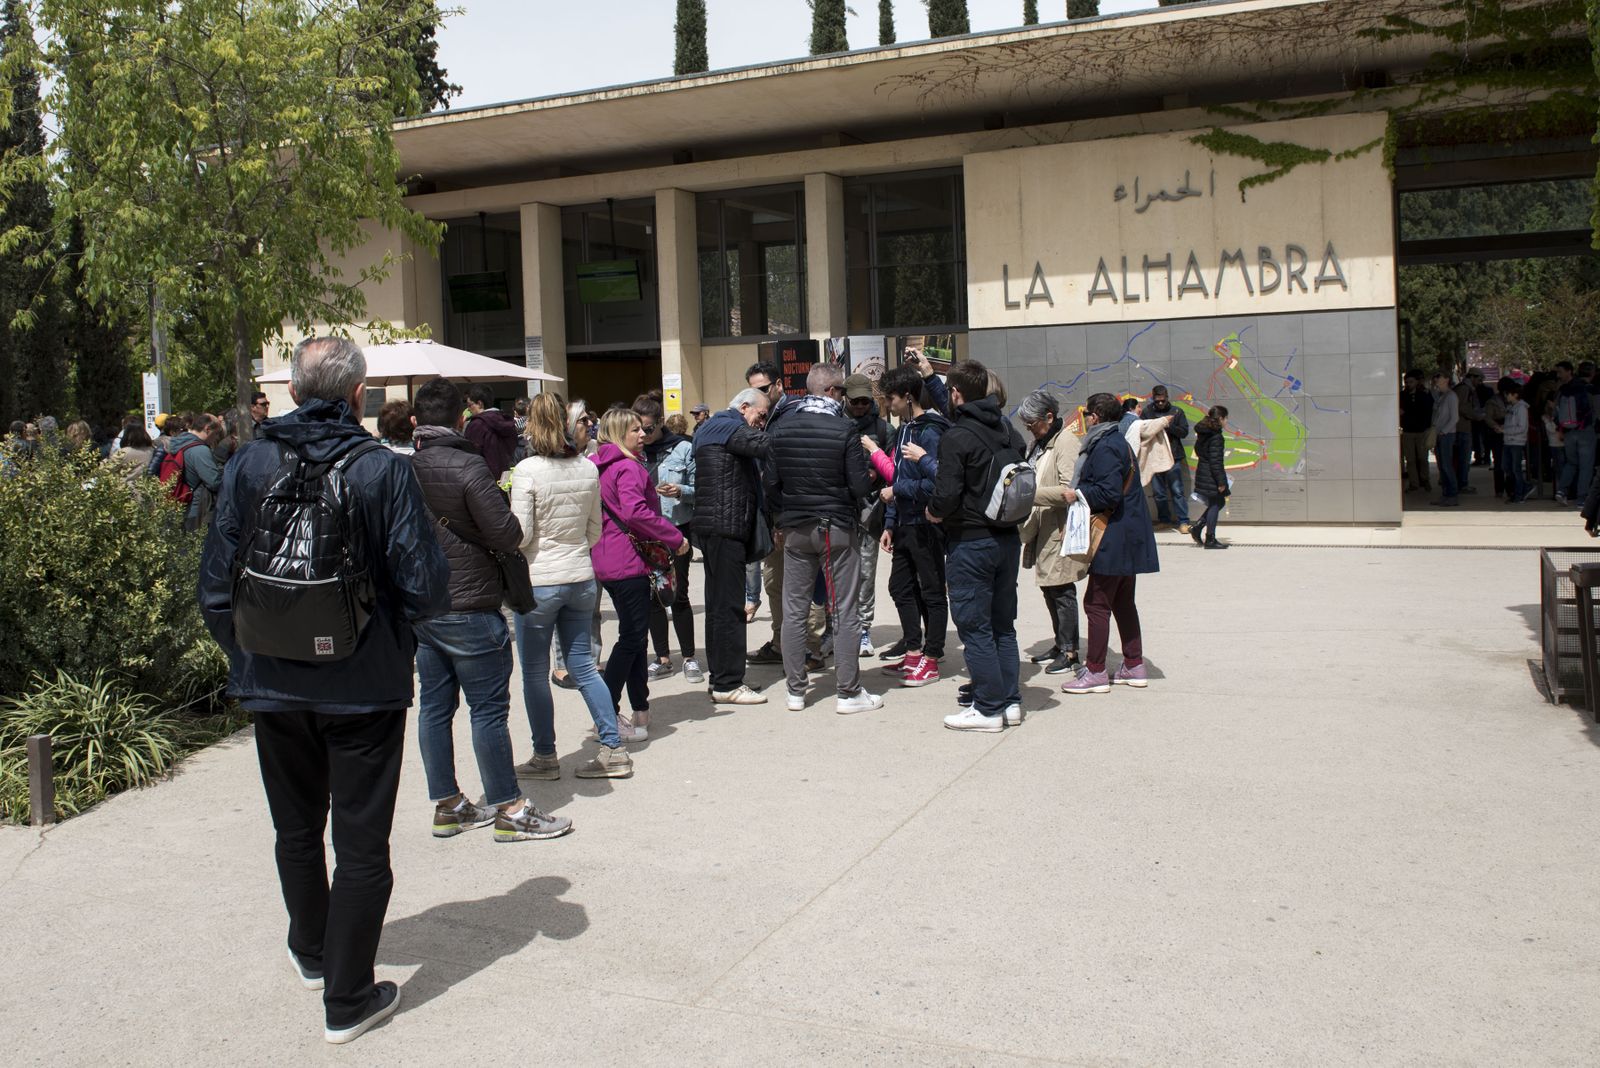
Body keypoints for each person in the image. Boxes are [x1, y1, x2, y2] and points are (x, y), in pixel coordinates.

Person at [198, 336, 451, 1045]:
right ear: (357, 395)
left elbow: (215, 586)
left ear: (290, 392)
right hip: (363, 688)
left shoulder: (248, 461)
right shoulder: (380, 470)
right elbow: (425, 586)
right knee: (362, 843)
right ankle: (347, 999)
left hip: (273, 686)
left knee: (296, 829)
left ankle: (312, 952)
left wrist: (256, 653)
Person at [407, 377, 573, 841]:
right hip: (471, 602)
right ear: (462, 418)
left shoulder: (402, 470)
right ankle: (509, 807)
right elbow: (506, 534)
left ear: (418, 422)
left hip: (424, 605)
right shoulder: (469, 467)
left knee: (434, 709)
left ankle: (448, 803)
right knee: (487, 711)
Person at [510, 392, 635, 779]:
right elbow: (595, 529)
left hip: (540, 581)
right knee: (583, 665)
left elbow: (521, 534)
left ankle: (545, 754)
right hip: (580, 575)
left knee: (534, 672)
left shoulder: (527, 470)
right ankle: (613, 747)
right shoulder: (587, 468)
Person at [763, 362, 881, 714]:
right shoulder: (844, 428)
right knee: (844, 609)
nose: (845, 397)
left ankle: (795, 691)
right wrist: (871, 473)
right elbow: (860, 486)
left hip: (796, 528)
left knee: (794, 610)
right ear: (830, 391)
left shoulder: (781, 428)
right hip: (836, 527)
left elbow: (770, 484)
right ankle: (848, 691)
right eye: (842, 390)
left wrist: (786, 514)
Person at [930, 360, 1027, 731]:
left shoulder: (958, 436)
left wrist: (932, 510)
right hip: (1007, 539)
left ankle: (987, 708)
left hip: (971, 542)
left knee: (975, 628)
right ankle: (1010, 701)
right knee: (1004, 625)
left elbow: (946, 496)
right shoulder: (1005, 428)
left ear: (955, 393)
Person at [592, 407, 688, 738]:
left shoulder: (598, 466)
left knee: (634, 637)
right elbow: (636, 512)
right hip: (627, 560)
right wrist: (675, 537)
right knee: (632, 639)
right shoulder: (628, 467)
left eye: (642, 429)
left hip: (607, 559)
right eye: (635, 430)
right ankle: (607, 712)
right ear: (619, 434)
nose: (642, 434)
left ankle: (640, 711)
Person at [1062, 392, 1160, 695]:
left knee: (1096, 603)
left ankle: (1094, 671)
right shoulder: (1119, 442)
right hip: (1128, 534)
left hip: (1114, 535)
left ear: (1096, 416)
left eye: (1086, 416)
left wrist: (1077, 494)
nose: (1084, 422)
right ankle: (1133, 664)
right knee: (1122, 602)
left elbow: (1107, 493)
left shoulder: (1105, 446)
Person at [862, 365, 949, 687]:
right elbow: (899, 476)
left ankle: (932, 656)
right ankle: (914, 650)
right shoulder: (905, 430)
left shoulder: (932, 431)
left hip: (928, 525)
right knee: (900, 587)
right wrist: (889, 522)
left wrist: (897, 492)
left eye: (891, 398)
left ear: (908, 396)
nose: (887, 405)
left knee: (932, 592)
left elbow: (937, 485)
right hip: (904, 525)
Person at [693, 387, 773, 705]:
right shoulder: (730, 427)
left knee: (716, 607)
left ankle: (720, 677)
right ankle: (728, 683)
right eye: (761, 415)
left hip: (714, 529)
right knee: (728, 608)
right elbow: (766, 445)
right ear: (743, 407)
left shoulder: (710, 428)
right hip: (727, 529)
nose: (762, 423)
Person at [743, 360, 824, 668]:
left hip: (798, 514)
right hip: (772, 515)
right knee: (774, 582)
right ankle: (781, 643)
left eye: (763, 389)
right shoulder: (761, 418)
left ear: (778, 386)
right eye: (753, 391)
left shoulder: (796, 414)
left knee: (805, 582)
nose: (759, 396)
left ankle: (812, 649)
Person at [1017, 389, 1085, 675]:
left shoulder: (1066, 442)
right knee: (1048, 587)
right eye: (1026, 424)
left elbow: (1069, 489)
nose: (1029, 428)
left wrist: (1028, 494)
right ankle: (1060, 644)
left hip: (1058, 526)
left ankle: (1070, 651)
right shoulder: (1039, 443)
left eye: (1032, 423)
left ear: (1049, 417)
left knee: (1061, 589)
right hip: (1040, 526)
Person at [636, 395, 701, 684]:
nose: (643, 435)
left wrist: (681, 490)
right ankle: (662, 657)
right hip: (644, 534)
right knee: (652, 596)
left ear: (661, 423)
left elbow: (701, 488)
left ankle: (689, 657)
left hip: (676, 529)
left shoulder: (683, 448)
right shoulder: (633, 453)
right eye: (638, 429)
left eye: (648, 429)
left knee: (679, 594)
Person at [844, 373, 892, 658]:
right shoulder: (834, 424)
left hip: (870, 511)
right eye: (856, 401)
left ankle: (863, 629)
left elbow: (891, 469)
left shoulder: (883, 429)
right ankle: (837, 628)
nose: (861, 406)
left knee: (865, 572)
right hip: (840, 509)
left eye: (865, 401)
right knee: (836, 574)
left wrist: (875, 473)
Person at [1140, 386, 1191, 532]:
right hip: (1155, 457)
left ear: (1167, 398)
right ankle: (1165, 520)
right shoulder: (1147, 412)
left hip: (1173, 457)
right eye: (1158, 401)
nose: (1160, 404)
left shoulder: (1176, 412)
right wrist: (1156, 425)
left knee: (1177, 491)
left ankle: (1183, 521)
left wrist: (1168, 425)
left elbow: (1184, 432)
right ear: (1153, 399)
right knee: (1158, 492)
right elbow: (1141, 431)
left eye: (1163, 401)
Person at [169, 412, 225, 532]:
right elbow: (214, 481)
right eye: (215, 434)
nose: (215, 439)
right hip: (196, 508)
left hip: (180, 503)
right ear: (207, 429)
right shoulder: (200, 450)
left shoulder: (180, 442)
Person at [1189, 406, 1231, 549]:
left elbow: (1198, 451)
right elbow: (1216, 461)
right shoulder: (1216, 436)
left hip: (1203, 471)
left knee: (1218, 503)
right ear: (1220, 419)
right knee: (1216, 503)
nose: (1227, 421)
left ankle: (1198, 527)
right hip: (1211, 474)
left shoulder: (1203, 432)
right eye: (1226, 418)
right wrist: (1221, 482)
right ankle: (1210, 539)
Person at [1555, 361, 1594, 507]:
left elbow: (1556, 411)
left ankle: (1562, 490)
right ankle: (1581, 498)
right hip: (1586, 431)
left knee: (1571, 462)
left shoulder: (1562, 390)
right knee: (1586, 466)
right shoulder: (1588, 389)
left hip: (1568, 431)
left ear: (1569, 371)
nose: (1558, 375)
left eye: (1560, 372)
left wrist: (1560, 429)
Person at [463, 384, 518, 481]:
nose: (468, 409)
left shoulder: (477, 425)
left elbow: (470, 455)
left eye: (470, 405)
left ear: (479, 404)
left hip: (483, 480)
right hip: (506, 477)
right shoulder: (506, 421)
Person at [1430, 371, 1461, 507]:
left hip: (1446, 435)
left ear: (1447, 379)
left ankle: (1452, 494)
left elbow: (1454, 417)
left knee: (1447, 465)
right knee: (1442, 466)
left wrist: (1443, 431)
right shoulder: (1441, 396)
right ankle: (1446, 493)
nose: (1437, 380)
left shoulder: (1451, 397)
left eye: (1440, 377)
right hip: (1439, 434)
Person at [1399, 371, 1433, 493]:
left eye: (1411, 382)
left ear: (1417, 382)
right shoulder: (1402, 395)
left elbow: (1428, 411)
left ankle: (1425, 479)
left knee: (1423, 458)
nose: (1408, 384)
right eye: (1406, 382)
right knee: (1410, 459)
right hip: (1408, 431)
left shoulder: (1424, 395)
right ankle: (1414, 483)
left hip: (1421, 431)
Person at [1499, 380, 1530, 505]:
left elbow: (1522, 427)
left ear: (1515, 394)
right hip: (1508, 441)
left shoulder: (1522, 408)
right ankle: (1522, 488)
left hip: (1517, 442)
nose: (1506, 397)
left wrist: (1505, 430)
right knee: (1506, 467)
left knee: (1515, 468)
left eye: (1508, 394)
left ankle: (1519, 494)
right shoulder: (1510, 408)